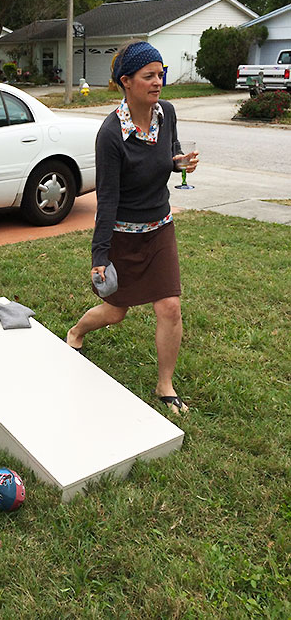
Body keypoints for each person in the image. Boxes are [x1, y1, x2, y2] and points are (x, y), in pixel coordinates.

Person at [66, 40, 198, 414]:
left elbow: (168, 154)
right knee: (115, 311)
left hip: (160, 229)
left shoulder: (166, 113)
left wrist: (180, 163)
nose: (158, 82)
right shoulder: (111, 134)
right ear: (126, 81)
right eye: (149, 76)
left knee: (169, 306)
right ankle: (76, 333)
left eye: (161, 74)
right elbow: (106, 199)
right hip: (123, 236)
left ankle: (165, 385)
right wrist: (100, 255)